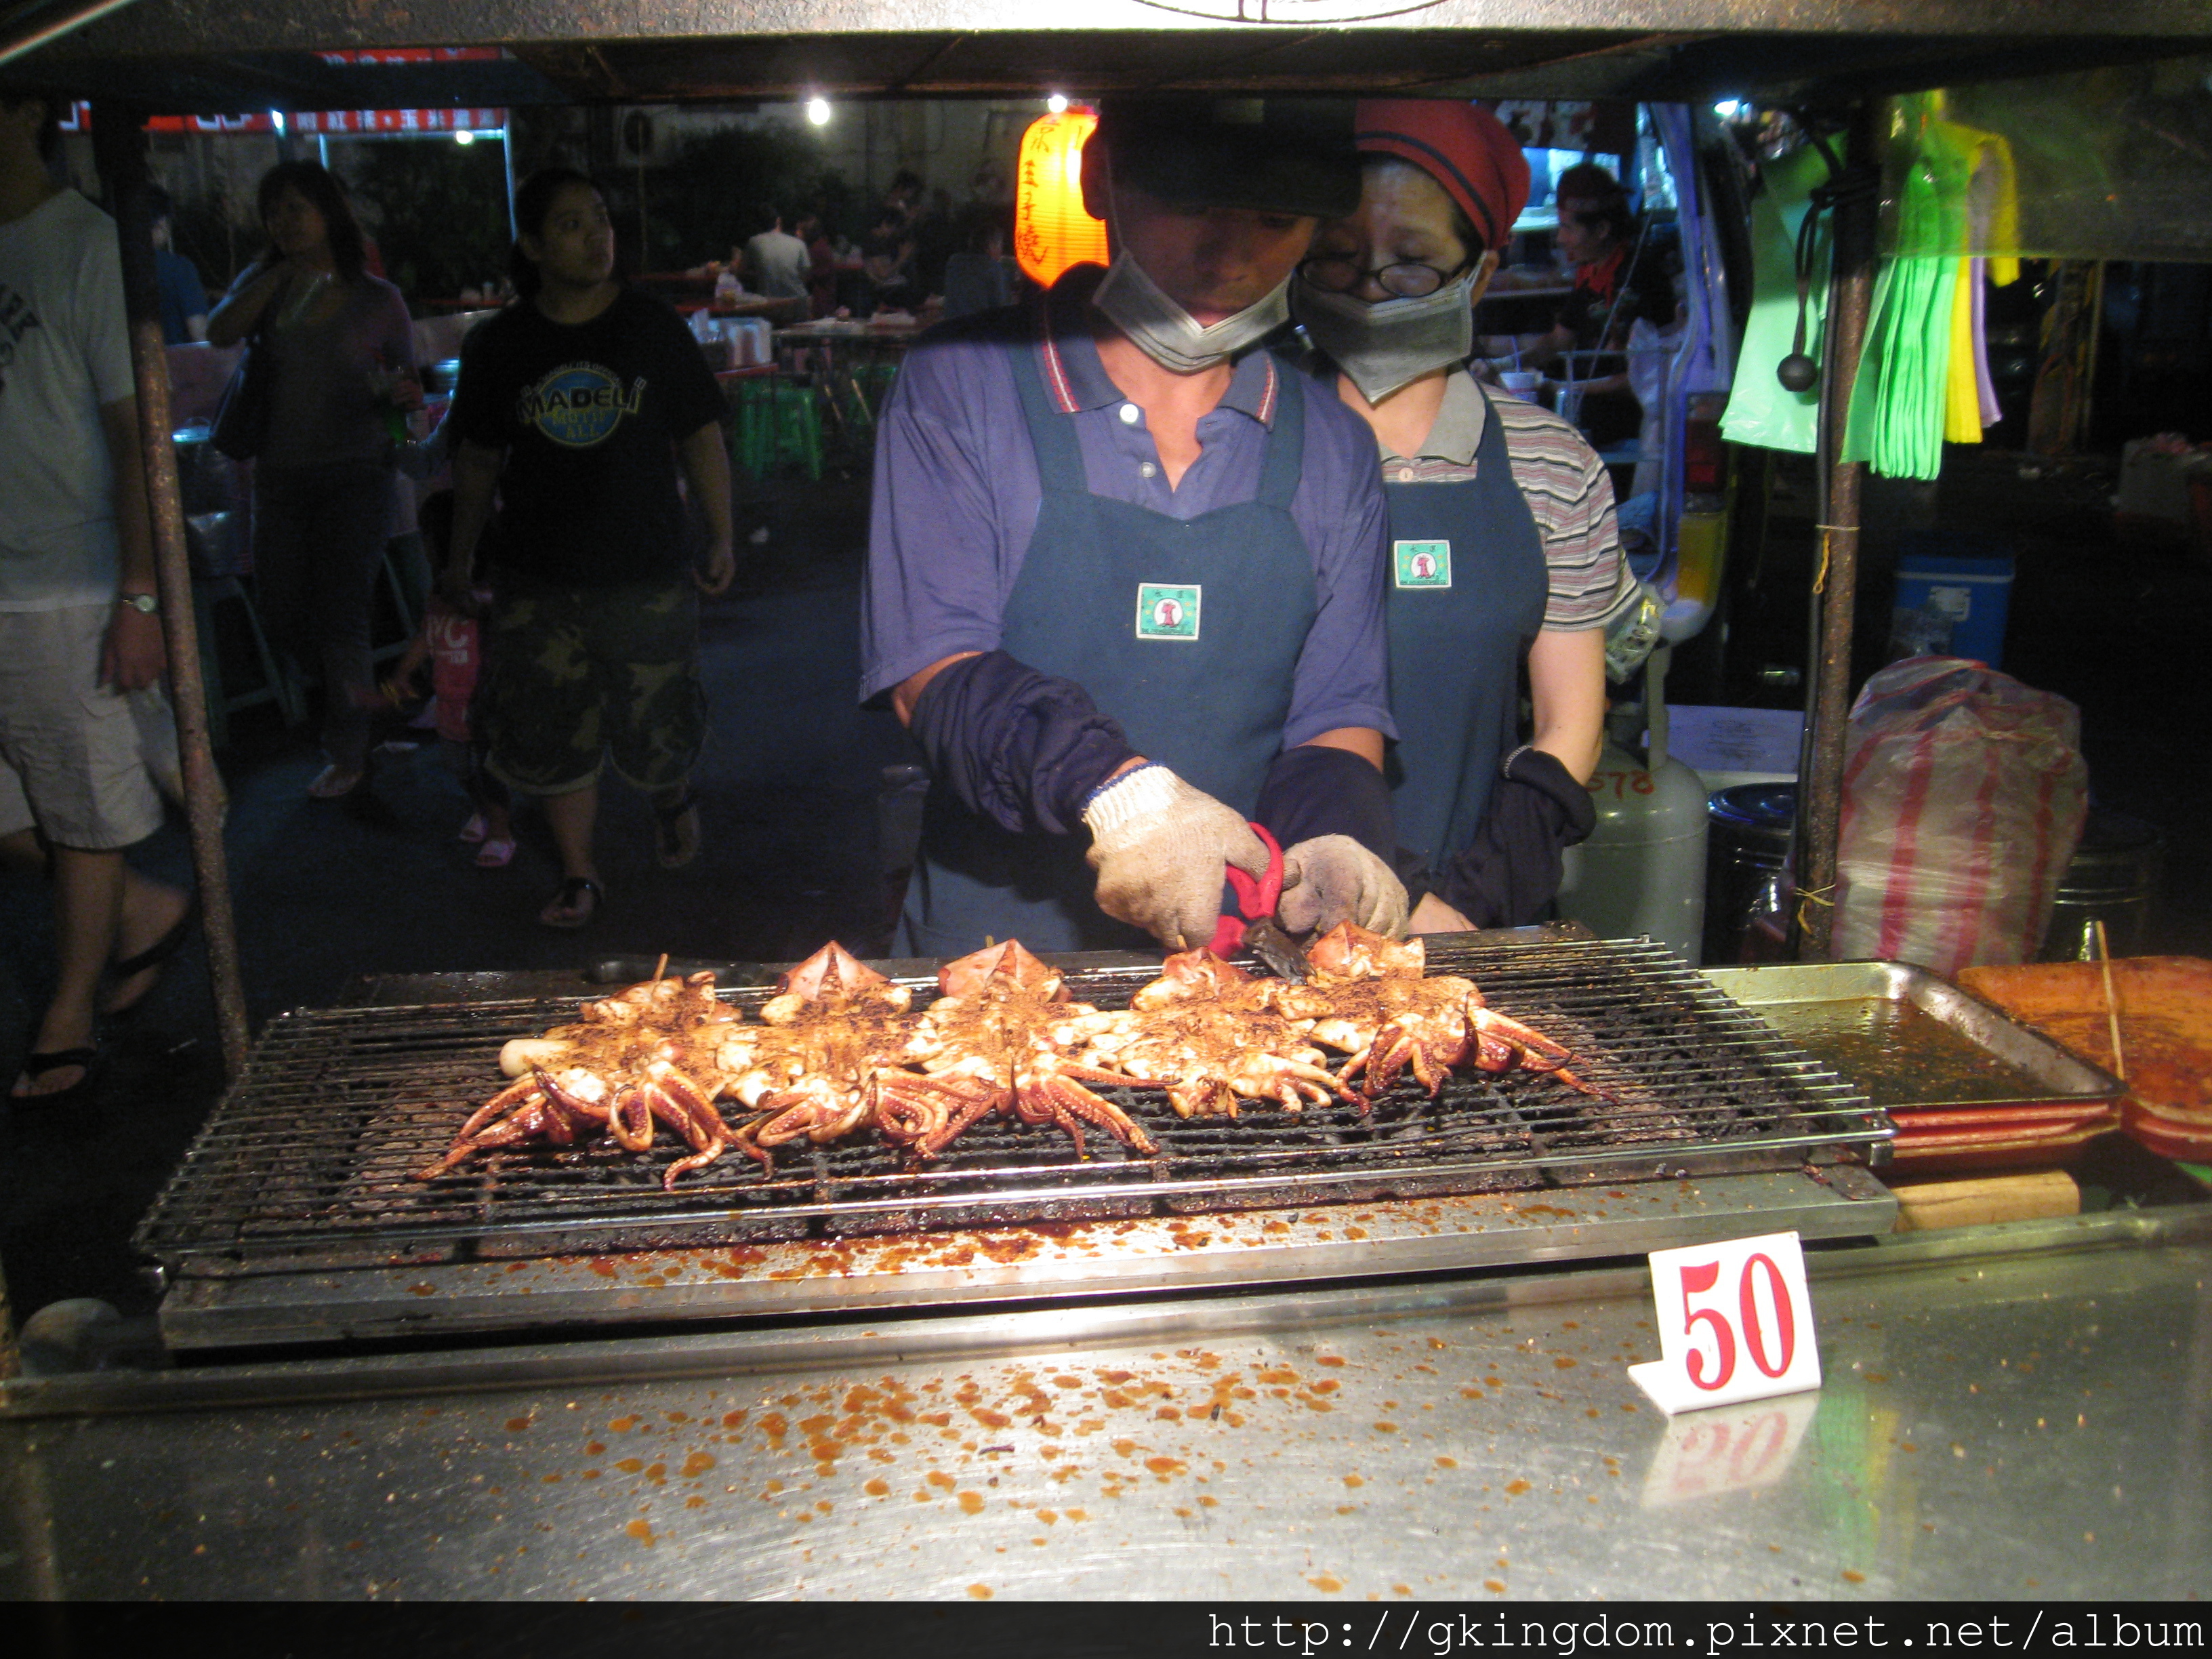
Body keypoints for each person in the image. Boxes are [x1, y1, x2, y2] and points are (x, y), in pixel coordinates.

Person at [861, 96, 1410, 959]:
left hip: (1227, 970)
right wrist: (1120, 796)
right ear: (1100, 180)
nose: (1231, 253)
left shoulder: (1334, 444)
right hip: (986, 960)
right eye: (1193, 207)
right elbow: (930, 671)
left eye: (1274, 220)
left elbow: (1337, 714)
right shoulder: (964, 384)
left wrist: (1337, 835)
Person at [1290, 100, 1634, 935]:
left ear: (1479, 274)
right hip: (1278, 896)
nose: (1370, 290)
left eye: (1411, 264)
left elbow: (1568, 719)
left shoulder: (1549, 463)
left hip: (1463, 911)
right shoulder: (1248, 438)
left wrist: (1469, 900)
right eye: (1338, 259)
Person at [439, 168, 735, 929]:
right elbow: (476, 461)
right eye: (570, 224)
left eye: (600, 218)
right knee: (551, 726)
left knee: (657, 724)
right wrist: (457, 560)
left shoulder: (650, 325)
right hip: (538, 574)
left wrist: (721, 533)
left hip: (646, 568)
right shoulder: (501, 345)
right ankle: (580, 873)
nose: (596, 234)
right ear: (533, 246)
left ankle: (670, 799)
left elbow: (699, 433)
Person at [0, 92, 194, 1101]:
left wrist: (139, 597)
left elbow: (136, 440)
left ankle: (67, 1016)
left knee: (81, 810)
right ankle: (138, 910)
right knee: (36, 812)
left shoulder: (83, 245)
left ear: (27, 105)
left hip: (64, 584)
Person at [205, 160, 416, 801]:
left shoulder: (379, 299)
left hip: (357, 474)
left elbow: (407, 389)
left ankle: (348, 753)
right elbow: (220, 332)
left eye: (298, 207)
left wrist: (402, 400)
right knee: (282, 610)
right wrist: (275, 275)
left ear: (331, 212)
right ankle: (357, 712)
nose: (284, 220)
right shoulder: (265, 285)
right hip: (281, 478)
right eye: (274, 210)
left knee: (342, 619)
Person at [1479, 161, 1678, 448]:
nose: (1560, 239)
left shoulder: (1641, 279)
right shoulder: (1590, 271)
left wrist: (1561, 388)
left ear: (1601, 230)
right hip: (1588, 414)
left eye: (1567, 229)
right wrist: (1504, 364)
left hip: (1629, 427)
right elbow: (1559, 339)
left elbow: (1641, 377)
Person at [382, 491, 513, 868]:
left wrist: (476, 602)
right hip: (448, 703)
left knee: (490, 770)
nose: (422, 544)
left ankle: (502, 831)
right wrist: (405, 670)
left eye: (425, 535)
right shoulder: (439, 590)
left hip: (483, 702)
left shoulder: (491, 590)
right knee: (459, 767)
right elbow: (429, 632)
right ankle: (483, 811)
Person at [147, 184, 207, 344]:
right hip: (174, 365)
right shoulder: (179, 269)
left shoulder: (110, 266)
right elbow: (199, 334)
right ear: (162, 223)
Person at [740, 205, 811, 306]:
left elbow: (742, 271)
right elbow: (806, 274)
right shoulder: (799, 243)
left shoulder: (754, 242)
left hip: (769, 304)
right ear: (778, 220)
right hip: (798, 302)